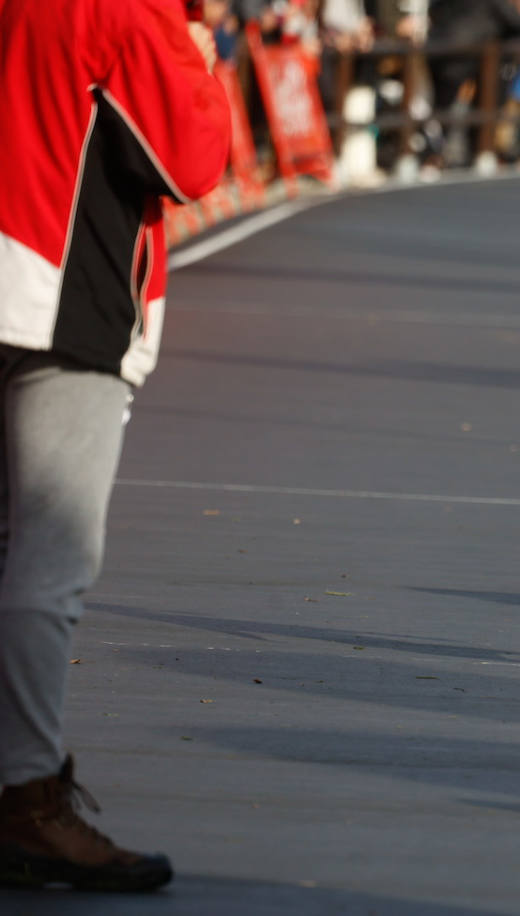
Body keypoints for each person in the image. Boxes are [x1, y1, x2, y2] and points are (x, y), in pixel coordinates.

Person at [0, 0, 231, 893]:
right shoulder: (126, 12)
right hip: (60, 296)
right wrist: (200, 63)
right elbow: (194, 160)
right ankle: (26, 797)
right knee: (49, 561)